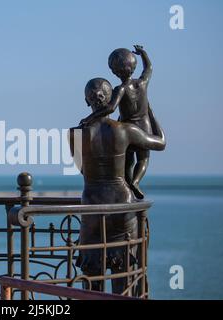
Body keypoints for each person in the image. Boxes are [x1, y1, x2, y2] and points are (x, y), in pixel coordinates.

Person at [69, 77, 166, 295]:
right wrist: (147, 109)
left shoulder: (74, 134)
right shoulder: (126, 130)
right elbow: (160, 142)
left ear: (87, 101)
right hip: (121, 206)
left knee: (91, 281)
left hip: (92, 206)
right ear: (111, 98)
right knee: (124, 278)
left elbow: (83, 170)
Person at [80, 45, 154, 199]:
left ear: (115, 71)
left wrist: (90, 118)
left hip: (127, 124)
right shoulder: (142, 83)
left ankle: (129, 182)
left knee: (128, 159)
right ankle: (136, 181)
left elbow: (111, 108)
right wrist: (143, 53)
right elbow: (149, 68)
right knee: (144, 158)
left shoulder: (120, 89)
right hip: (143, 125)